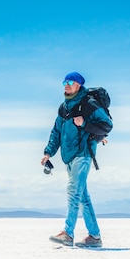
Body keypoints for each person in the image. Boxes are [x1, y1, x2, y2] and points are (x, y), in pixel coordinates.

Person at [41, 72, 112, 247]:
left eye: (70, 82)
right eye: (64, 82)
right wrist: (48, 153)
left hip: (83, 154)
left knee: (73, 192)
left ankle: (68, 233)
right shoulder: (64, 107)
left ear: (78, 84)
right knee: (82, 198)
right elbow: (56, 132)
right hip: (69, 156)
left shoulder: (89, 104)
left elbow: (107, 125)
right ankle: (94, 237)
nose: (66, 85)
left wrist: (85, 124)